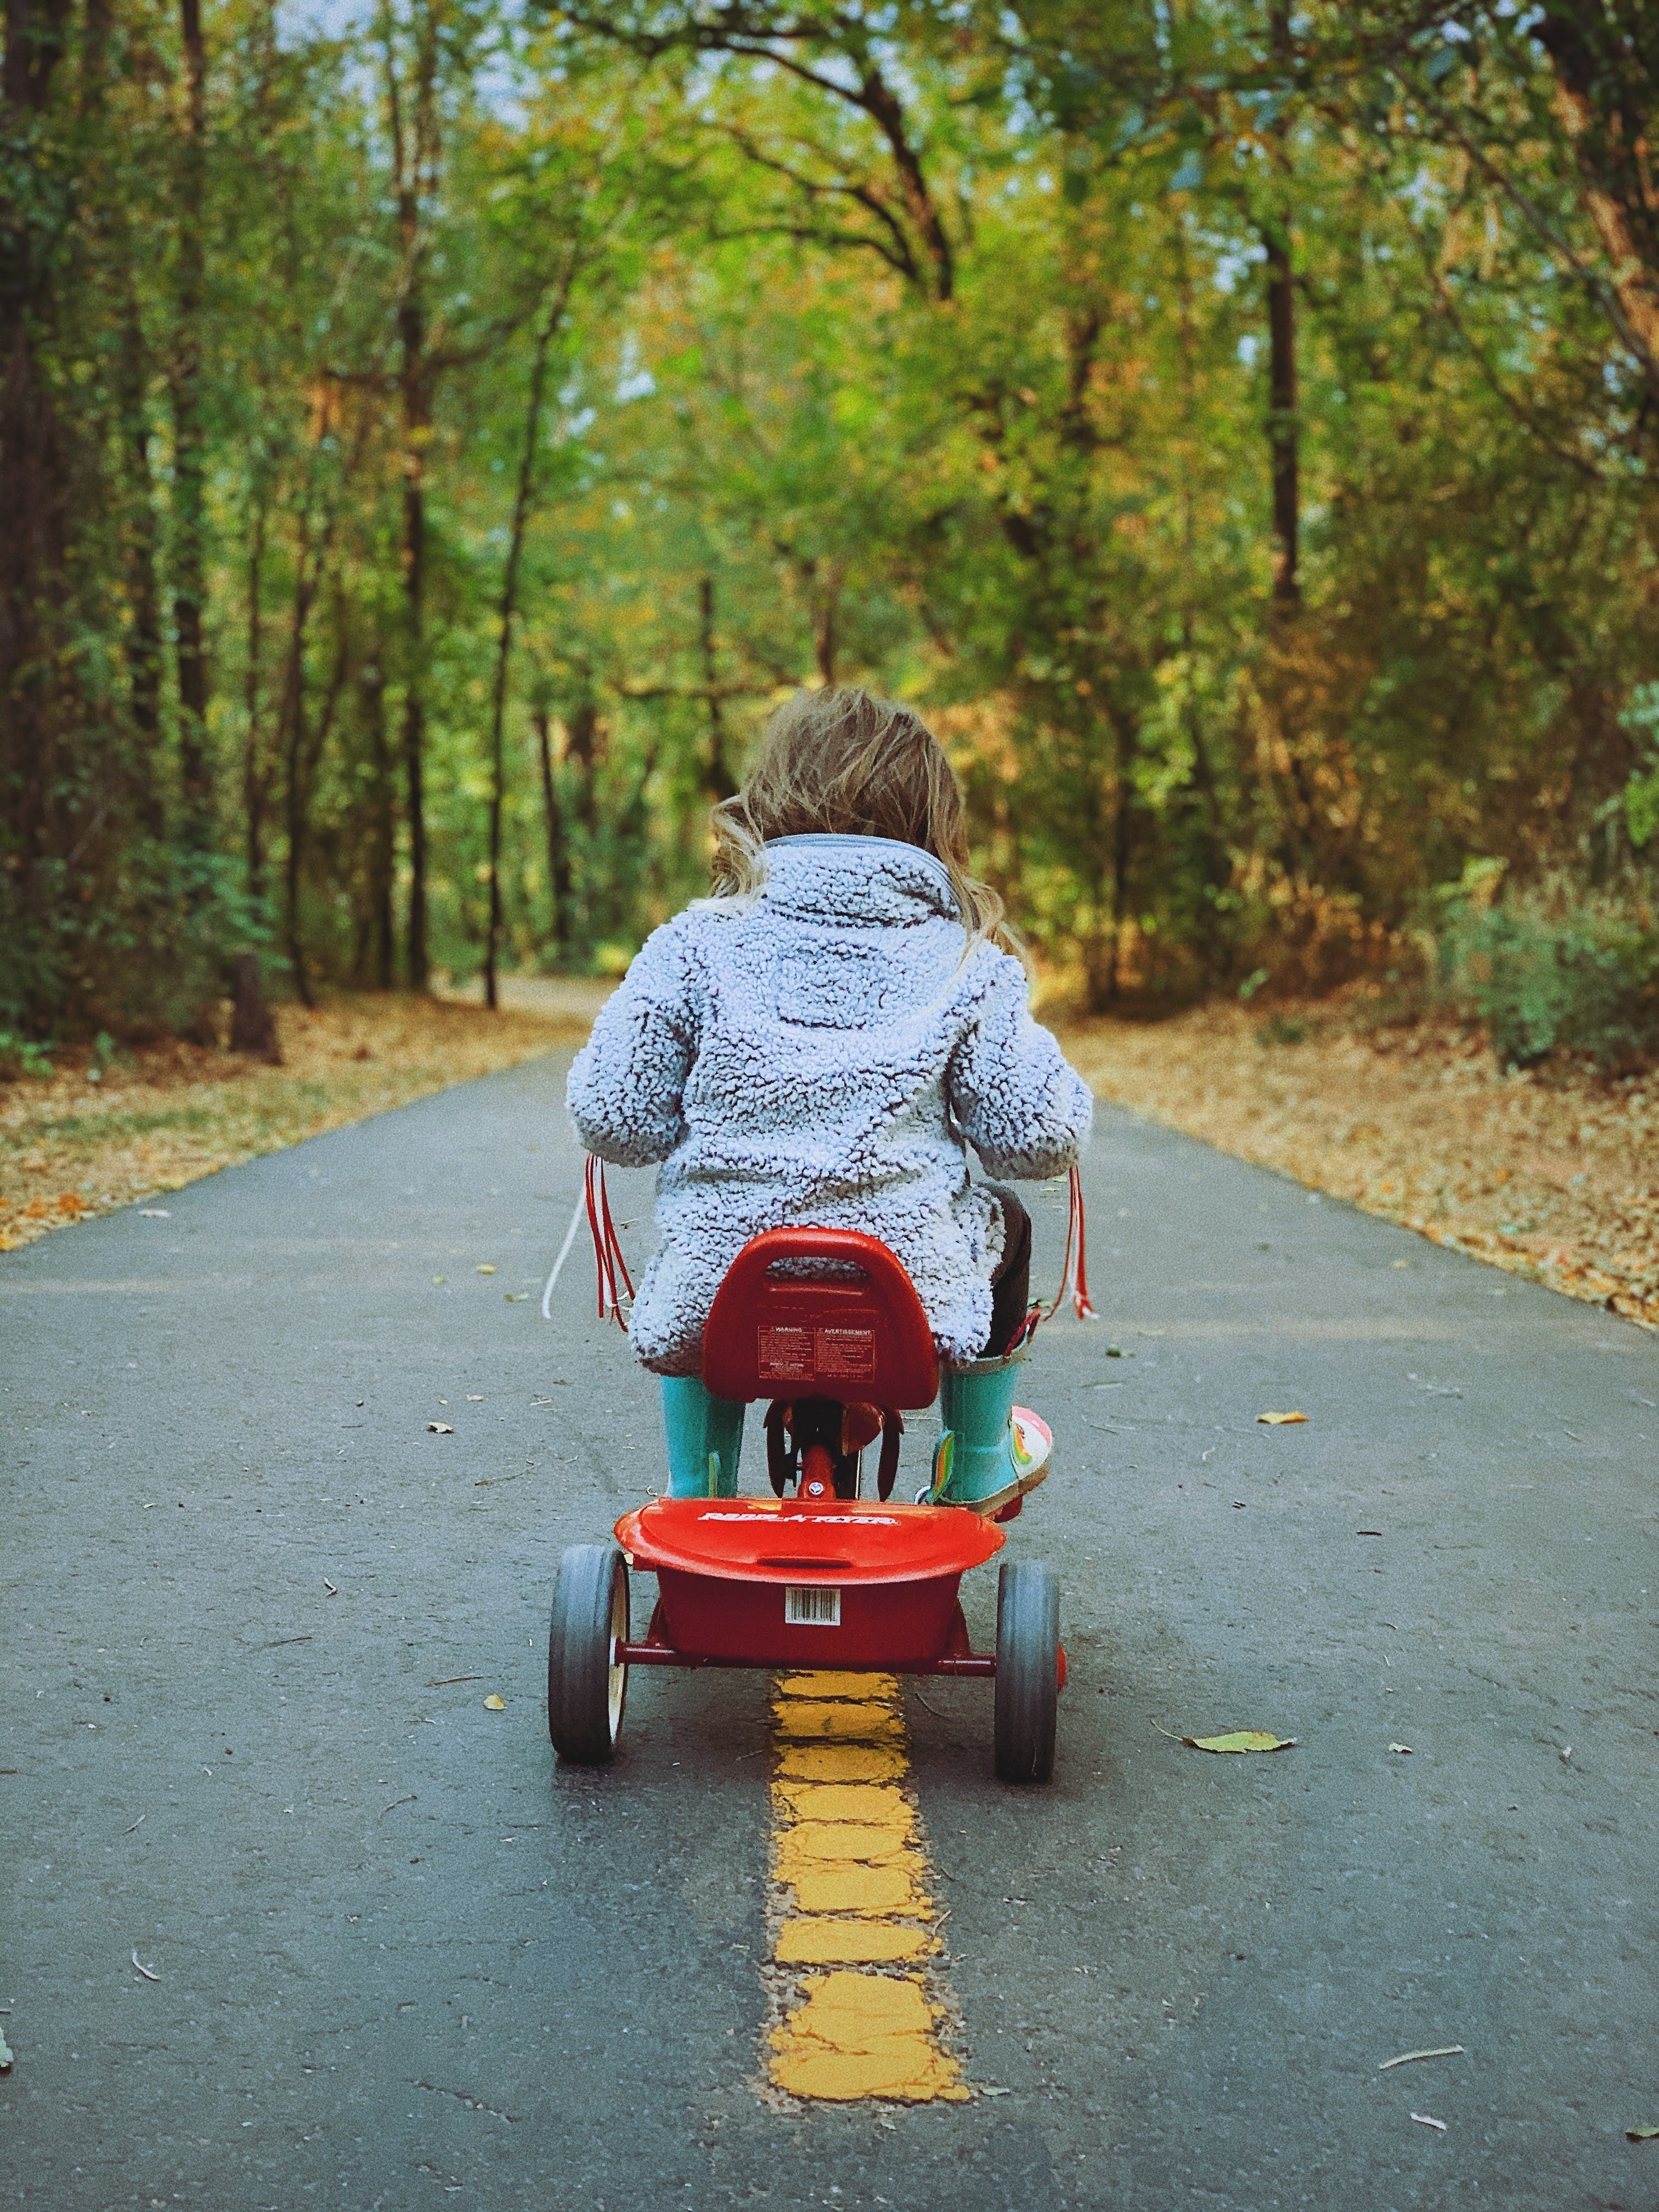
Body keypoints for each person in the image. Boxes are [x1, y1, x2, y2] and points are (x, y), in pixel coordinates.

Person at [566, 686, 1093, 1509]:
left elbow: (614, 1118)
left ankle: (693, 1488)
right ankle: (979, 1459)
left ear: (768, 800)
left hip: (721, 1290)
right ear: (931, 819)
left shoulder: (696, 941)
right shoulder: (965, 959)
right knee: (1008, 1223)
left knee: (702, 1231)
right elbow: (1036, 1137)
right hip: (911, 1294)